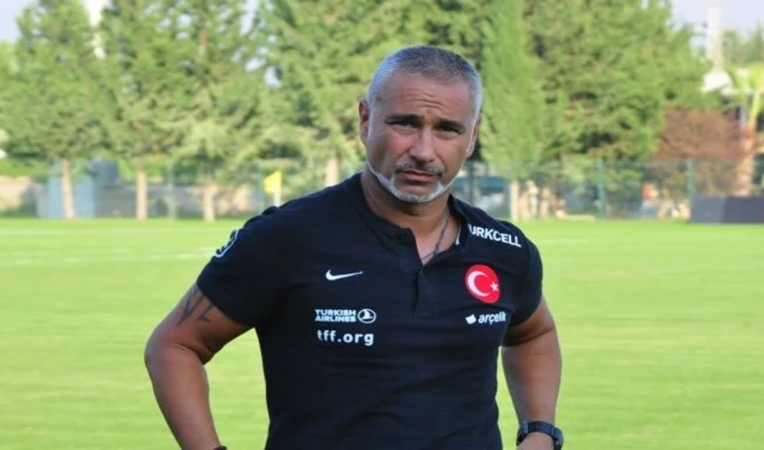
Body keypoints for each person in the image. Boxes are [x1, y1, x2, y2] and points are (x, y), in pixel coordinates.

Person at [144, 45, 564, 450]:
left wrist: (539, 430)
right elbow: (175, 346)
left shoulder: (506, 251)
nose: (423, 151)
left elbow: (534, 333)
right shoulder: (287, 237)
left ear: (471, 137)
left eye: (447, 129)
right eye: (404, 124)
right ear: (365, 120)